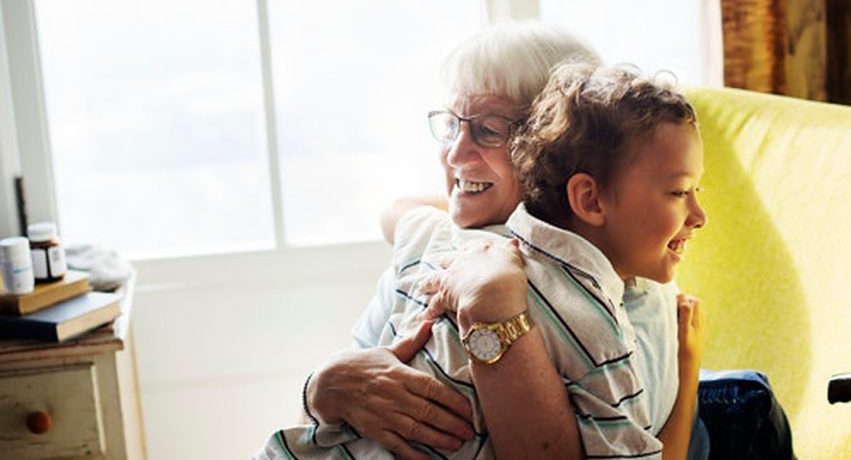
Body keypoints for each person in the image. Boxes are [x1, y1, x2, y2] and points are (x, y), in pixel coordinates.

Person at [257, 62, 706, 459]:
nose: (455, 153)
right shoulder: (440, 247)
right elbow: (398, 213)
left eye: (489, 130)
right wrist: (322, 385)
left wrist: (491, 308)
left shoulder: (629, 307)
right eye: (452, 126)